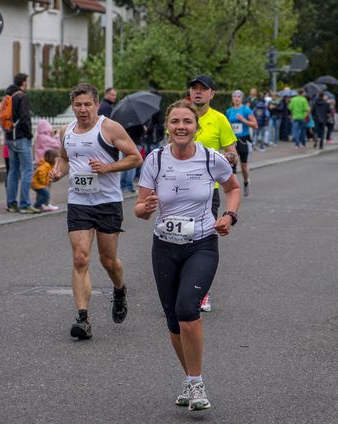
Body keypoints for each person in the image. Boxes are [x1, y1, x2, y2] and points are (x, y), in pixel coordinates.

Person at [135, 100, 241, 411]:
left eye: (187, 122)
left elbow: (233, 188)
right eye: (175, 122)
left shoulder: (211, 158)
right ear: (167, 126)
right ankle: (191, 378)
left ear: (196, 127)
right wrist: (145, 208)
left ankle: (196, 383)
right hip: (164, 246)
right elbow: (140, 209)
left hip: (202, 244)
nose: (181, 127)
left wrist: (229, 216)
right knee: (172, 318)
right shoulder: (155, 160)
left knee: (186, 309)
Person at [49, 82, 142, 340]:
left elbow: (136, 157)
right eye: (78, 105)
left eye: (87, 104)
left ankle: (119, 289)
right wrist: (58, 172)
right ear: (72, 106)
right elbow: (65, 158)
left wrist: (107, 167)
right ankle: (83, 318)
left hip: (107, 202)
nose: (83, 109)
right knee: (80, 258)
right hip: (79, 202)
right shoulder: (66, 131)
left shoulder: (109, 128)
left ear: (96, 105)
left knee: (108, 260)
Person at [187, 74, 238, 312]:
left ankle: (202, 291)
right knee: (178, 239)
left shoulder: (219, 119)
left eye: (203, 89)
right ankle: (182, 288)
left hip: (208, 191)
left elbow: (232, 152)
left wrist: (224, 157)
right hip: (179, 189)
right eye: (194, 88)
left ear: (212, 94)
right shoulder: (181, 116)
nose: (198, 92)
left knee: (203, 241)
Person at [4, 73, 39, 214]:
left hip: (9, 138)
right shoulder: (22, 97)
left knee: (13, 171)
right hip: (21, 138)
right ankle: (25, 204)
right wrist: (28, 134)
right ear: (23, 82)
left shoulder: (8, 96)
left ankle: (11, 203)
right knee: (27, 170)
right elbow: (24, 118)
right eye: (26, 81)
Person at [225, 90, 257, 197]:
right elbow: (227, 125)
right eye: (234, 96)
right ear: (232, 98)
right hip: (232, 141)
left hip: (243, 140)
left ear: (242, 98)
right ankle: (234, 190)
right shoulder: (229, 111)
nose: (236, 98)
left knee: (243, 166)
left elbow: (255, 125)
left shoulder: (246, 110)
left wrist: (243, 120)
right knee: (232, 165)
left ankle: (246, 182)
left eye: (238, 96)